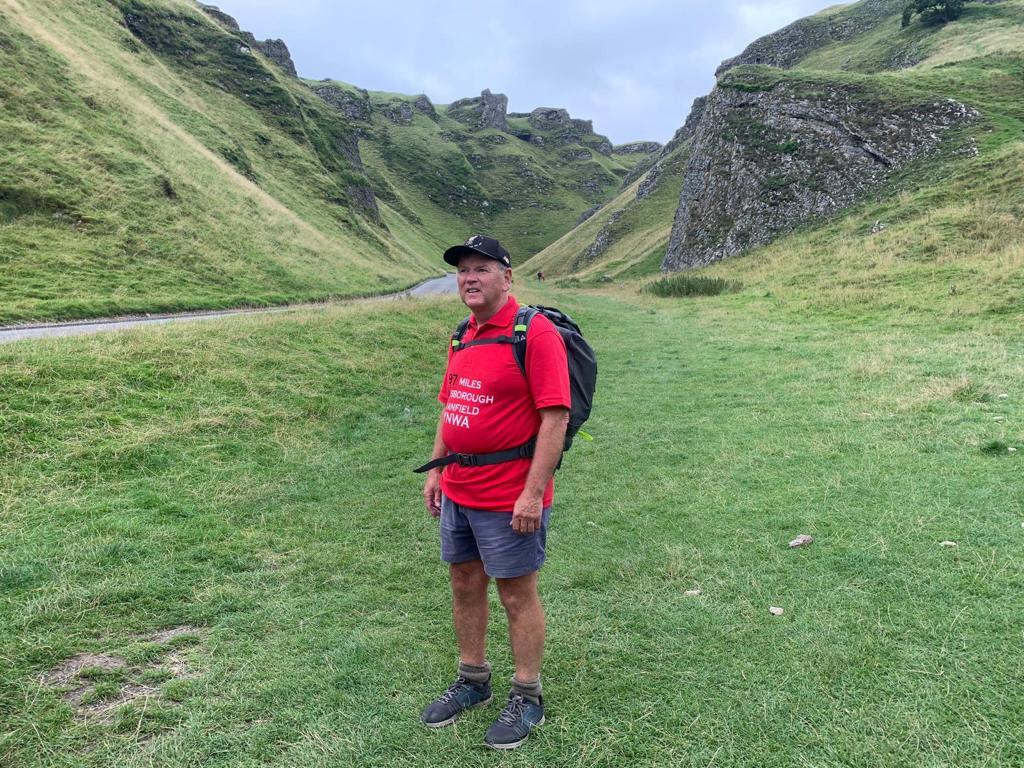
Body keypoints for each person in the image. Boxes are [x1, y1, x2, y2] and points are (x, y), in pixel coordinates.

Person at [419, 234, 570, 750]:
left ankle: (527, 695)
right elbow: (451, 403)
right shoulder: (463, 333)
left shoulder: (535, 332)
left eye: (482, 268)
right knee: (464, 582)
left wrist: (533, 493)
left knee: (515, 592)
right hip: (460, 489)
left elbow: (555, 416)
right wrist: (437, 469)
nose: (470, 278)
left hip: (510, 495)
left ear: (507, 277)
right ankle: (473, 680)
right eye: (463, 270)